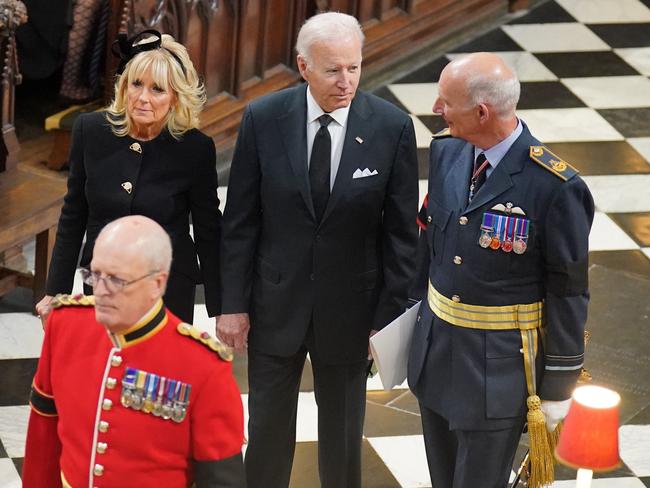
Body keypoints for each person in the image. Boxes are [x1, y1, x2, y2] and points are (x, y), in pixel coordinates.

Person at [217, 11, 418, 488]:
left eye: (354, 67)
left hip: (352, 312)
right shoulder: (263, 119)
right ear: (303, 66)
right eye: (332, 70)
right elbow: (240, 222)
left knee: (343, 438)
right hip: (273, 304)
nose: (345, 81)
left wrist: (388, 320)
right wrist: (233, 306)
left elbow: (401, 236)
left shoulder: (392, 127)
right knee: (265, 432)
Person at [407, 52, 595, 488]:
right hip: (436, 354)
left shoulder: (554, 187)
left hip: (499, 372)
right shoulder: (448, 151)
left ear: (481, 112)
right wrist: (406, 320)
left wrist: (559, 384)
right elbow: (430, 243)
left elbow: (568, 291)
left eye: (445, 102)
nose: (436, 110)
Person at [22, 215, 245, 488]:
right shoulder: (65, 325)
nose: (101, 290)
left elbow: (221, 480)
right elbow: (43, 435)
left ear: (158, 283)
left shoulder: (203, 366)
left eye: (117, 280)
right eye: (95, 274)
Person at [35, 30, 221, 324]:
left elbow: (208, 231)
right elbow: (73, 214)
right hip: (102, 283)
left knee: (159, 369)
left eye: (157, 89)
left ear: (175, 98)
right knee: (105, 366)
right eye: (136, 84)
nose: (142, 98)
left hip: (167, 287)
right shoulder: (90, 130)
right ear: (124, 86)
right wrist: (55, 292)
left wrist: (221, 308)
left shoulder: (195, 148)